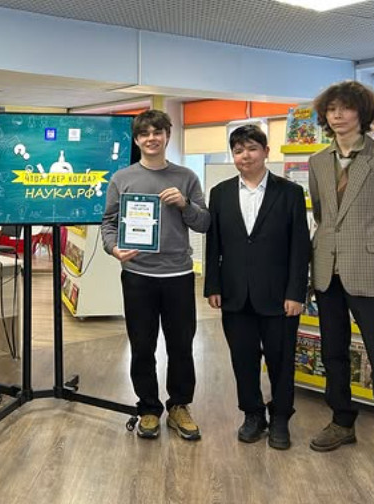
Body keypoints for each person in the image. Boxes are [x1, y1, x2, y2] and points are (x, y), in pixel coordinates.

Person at [307, 80, 374, 489]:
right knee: (333, 352)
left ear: (362, 113)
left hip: (371, 270)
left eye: (346, 108)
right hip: (327, 269)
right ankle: (342, 421)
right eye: (331, 109)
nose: (337, 115)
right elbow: (323, 214)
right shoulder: (318, 161)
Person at [101, 110, 210, 441]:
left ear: (167, 136)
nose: (151, 138)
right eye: (145, 133)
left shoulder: (186, 177)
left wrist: (185, 204)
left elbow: (204, 223)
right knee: (142, 345)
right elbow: (108, 223)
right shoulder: (122, 178)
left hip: (178, 275)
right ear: (137, 140)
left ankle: (179, 406)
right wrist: (113, 248)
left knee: (181, 346)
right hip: (137, 275)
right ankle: (148, 407)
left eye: (157, 132)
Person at [204, 125, 310, 450]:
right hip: (235, 295)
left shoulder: (289, 192)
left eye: (251, 148)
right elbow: (214, 243)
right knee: (243, 359)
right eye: (238, 151)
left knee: (281, 361)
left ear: (266, 151)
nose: (245, 156)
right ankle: (252, 415)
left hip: (279, 297)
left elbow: (300, 247)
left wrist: (296, 293)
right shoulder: (220, 193)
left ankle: (280, 418)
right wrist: (213, 285)